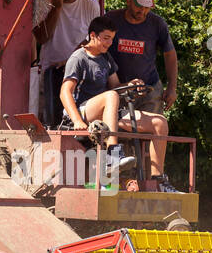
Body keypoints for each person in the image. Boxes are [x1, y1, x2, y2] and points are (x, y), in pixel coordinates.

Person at [60, 16, 175, 191]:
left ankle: (158, 181)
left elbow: (115, 87)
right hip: (81, 112)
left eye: (112, 38)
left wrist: (129, 86)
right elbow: (65, 92)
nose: (109, 42)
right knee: (111, 97)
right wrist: (77, 121)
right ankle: (113, 155)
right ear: (93, 35)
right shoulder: (78, 58)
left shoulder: (106, 58)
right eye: (106, 38)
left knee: (159, 122)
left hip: (107, 111)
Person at [105, 0, 178, 192]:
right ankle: (126, 182)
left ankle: (155, 183)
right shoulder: (113, 19)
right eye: (139, 6)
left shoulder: (157, 24)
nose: (142, 11)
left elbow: (170, 55)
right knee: (121, 132)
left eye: (147, 7)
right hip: (119, 88)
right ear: (128, 1)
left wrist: (172, 88)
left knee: (154, 134)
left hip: (150, 88)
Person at [32, 0, 100, 126]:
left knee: (81, 115)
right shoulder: (44, 1)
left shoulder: (90, 4)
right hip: (50, 70)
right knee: (50, 118)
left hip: (81, 71)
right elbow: (41, 38)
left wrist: (71, 60)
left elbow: (95, 38)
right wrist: (56, 8)